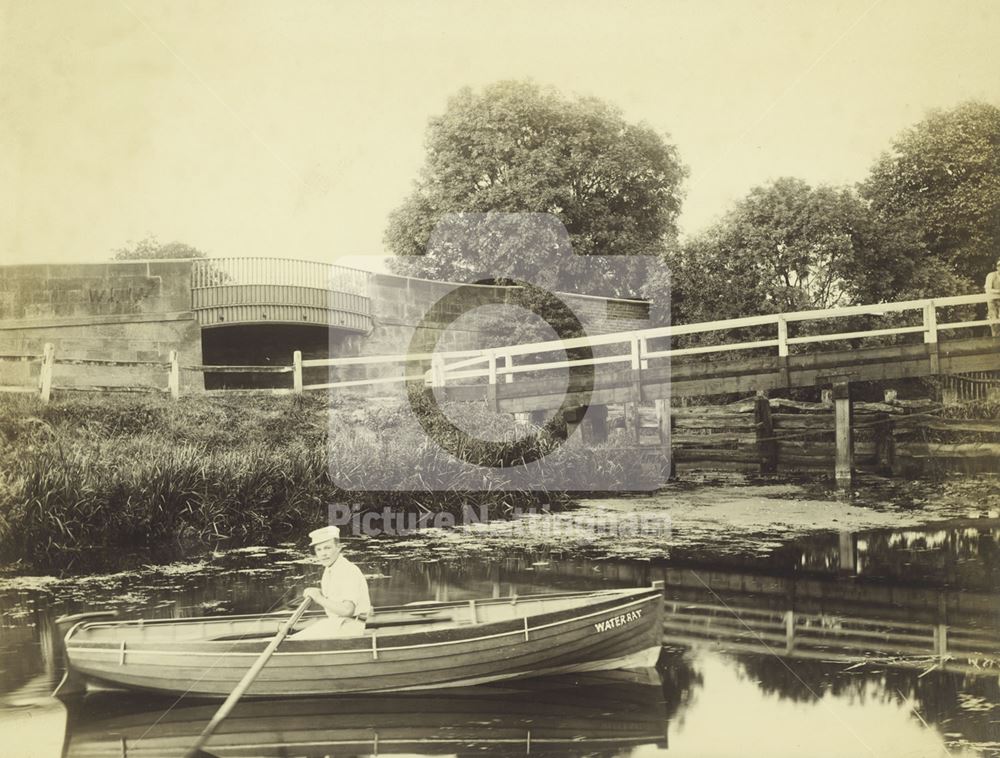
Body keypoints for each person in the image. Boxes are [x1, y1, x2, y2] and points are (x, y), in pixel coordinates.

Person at [294, 525, 372, 639]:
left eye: (327, 548)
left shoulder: (347, 570)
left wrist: (318, 598)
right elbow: (338, 594)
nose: (323, 554)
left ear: (339, 547)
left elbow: (347, 610)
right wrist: (319, 593)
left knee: (293, 643)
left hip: (349, 627)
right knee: (294, 638)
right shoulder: (331, 568)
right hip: (338, 623)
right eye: (319, 550)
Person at [987, 259, 1000, 338]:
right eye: (999, 266)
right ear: (997, 267)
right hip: (993, 302)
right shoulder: (991, 275)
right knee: (994, 322)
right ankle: (995, 342)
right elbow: (988, 289)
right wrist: (998, 291)